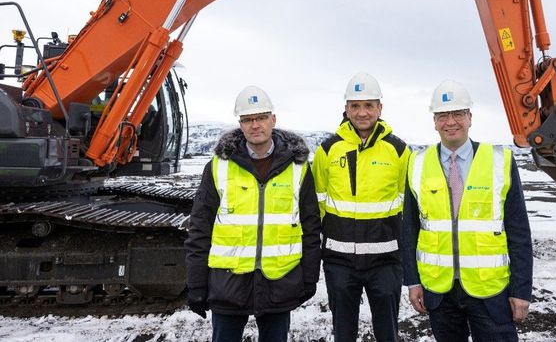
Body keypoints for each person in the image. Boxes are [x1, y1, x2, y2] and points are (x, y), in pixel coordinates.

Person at [185, 85, 321, 342]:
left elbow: (311, 228)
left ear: (273, 119)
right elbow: (200, 229)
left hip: (279, 283)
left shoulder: (297, 169)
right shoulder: (218, 167)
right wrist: (197, 284)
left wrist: (309, 278)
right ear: (240, 123)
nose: (255, 125)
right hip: (228, 286)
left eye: (260, 118)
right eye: (248, 119)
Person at [402, 79, 533, 342]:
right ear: (434, 121)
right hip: (439, 290)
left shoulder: (499, 162)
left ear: (470, 117)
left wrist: (521, 290)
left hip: (490, 291)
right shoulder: (417, 164)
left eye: (458, 114)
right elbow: (410, 229)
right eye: (443, 115)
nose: (450, 122)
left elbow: (518, 231)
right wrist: (413, 281)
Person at [312, 72, 410, 342]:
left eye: (369, 105)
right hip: (339, 262)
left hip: (386, 262)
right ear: (346, 109)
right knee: (343, 333)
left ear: (380, 108)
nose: (362, 112)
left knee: (387, 333)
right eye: (355, 106)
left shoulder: (399, 151)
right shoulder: (327, 151)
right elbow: (317, 205)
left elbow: (410, 210)